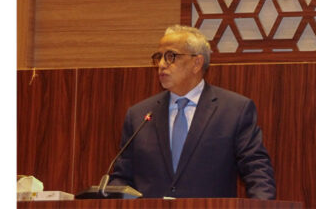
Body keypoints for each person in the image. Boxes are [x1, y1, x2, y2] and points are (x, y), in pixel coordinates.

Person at [109, 25, 276, 199]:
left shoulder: (234, 110)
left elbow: (257, 169)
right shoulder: (139, 116)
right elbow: (122, 178)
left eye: (170, 56)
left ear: (197, 63)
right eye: (159, 57)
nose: (161, 65)